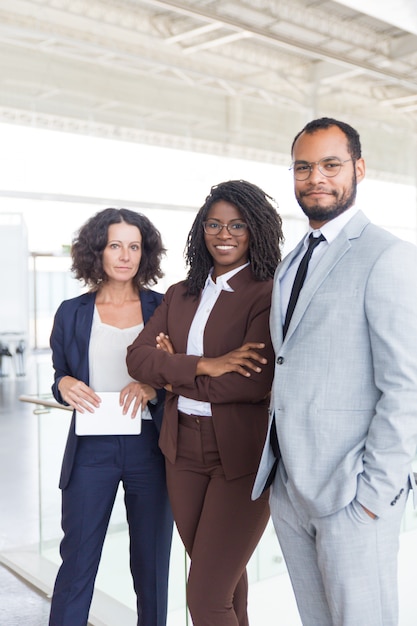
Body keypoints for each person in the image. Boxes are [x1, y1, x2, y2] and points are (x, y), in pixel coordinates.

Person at [252, 117, 417, 626]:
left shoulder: (388, 257)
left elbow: (407, 386)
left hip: (353, 495)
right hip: (290, 486)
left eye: (330, 165)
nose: (315, 178)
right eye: (303, 167)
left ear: (358, 169)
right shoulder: (291, 261)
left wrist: (374, 494)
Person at [126, 180, 284, 626]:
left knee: (205, 597)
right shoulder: (180, 293)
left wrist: (175, 371)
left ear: (255, 229)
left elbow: (251, 384)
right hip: (181, 452)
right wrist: (206, 366)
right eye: (213, 224)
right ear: (201, 230)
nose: (224, 233)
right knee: (224, 584)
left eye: (237, 224)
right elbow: (138, 359)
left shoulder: (267, 292)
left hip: (240, 455)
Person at [48, 208, 173, 626]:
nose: (125, 255)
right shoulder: (71, 312)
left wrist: (152, 388)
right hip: (90, 450)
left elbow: (180, 373)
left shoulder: (165, 307)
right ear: (97, 251)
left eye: (134, 246)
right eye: (115, 245)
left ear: (145, 252)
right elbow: (60, 375)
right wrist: (63, 383)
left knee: (152, 568)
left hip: (150, 448)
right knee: (77, 563)